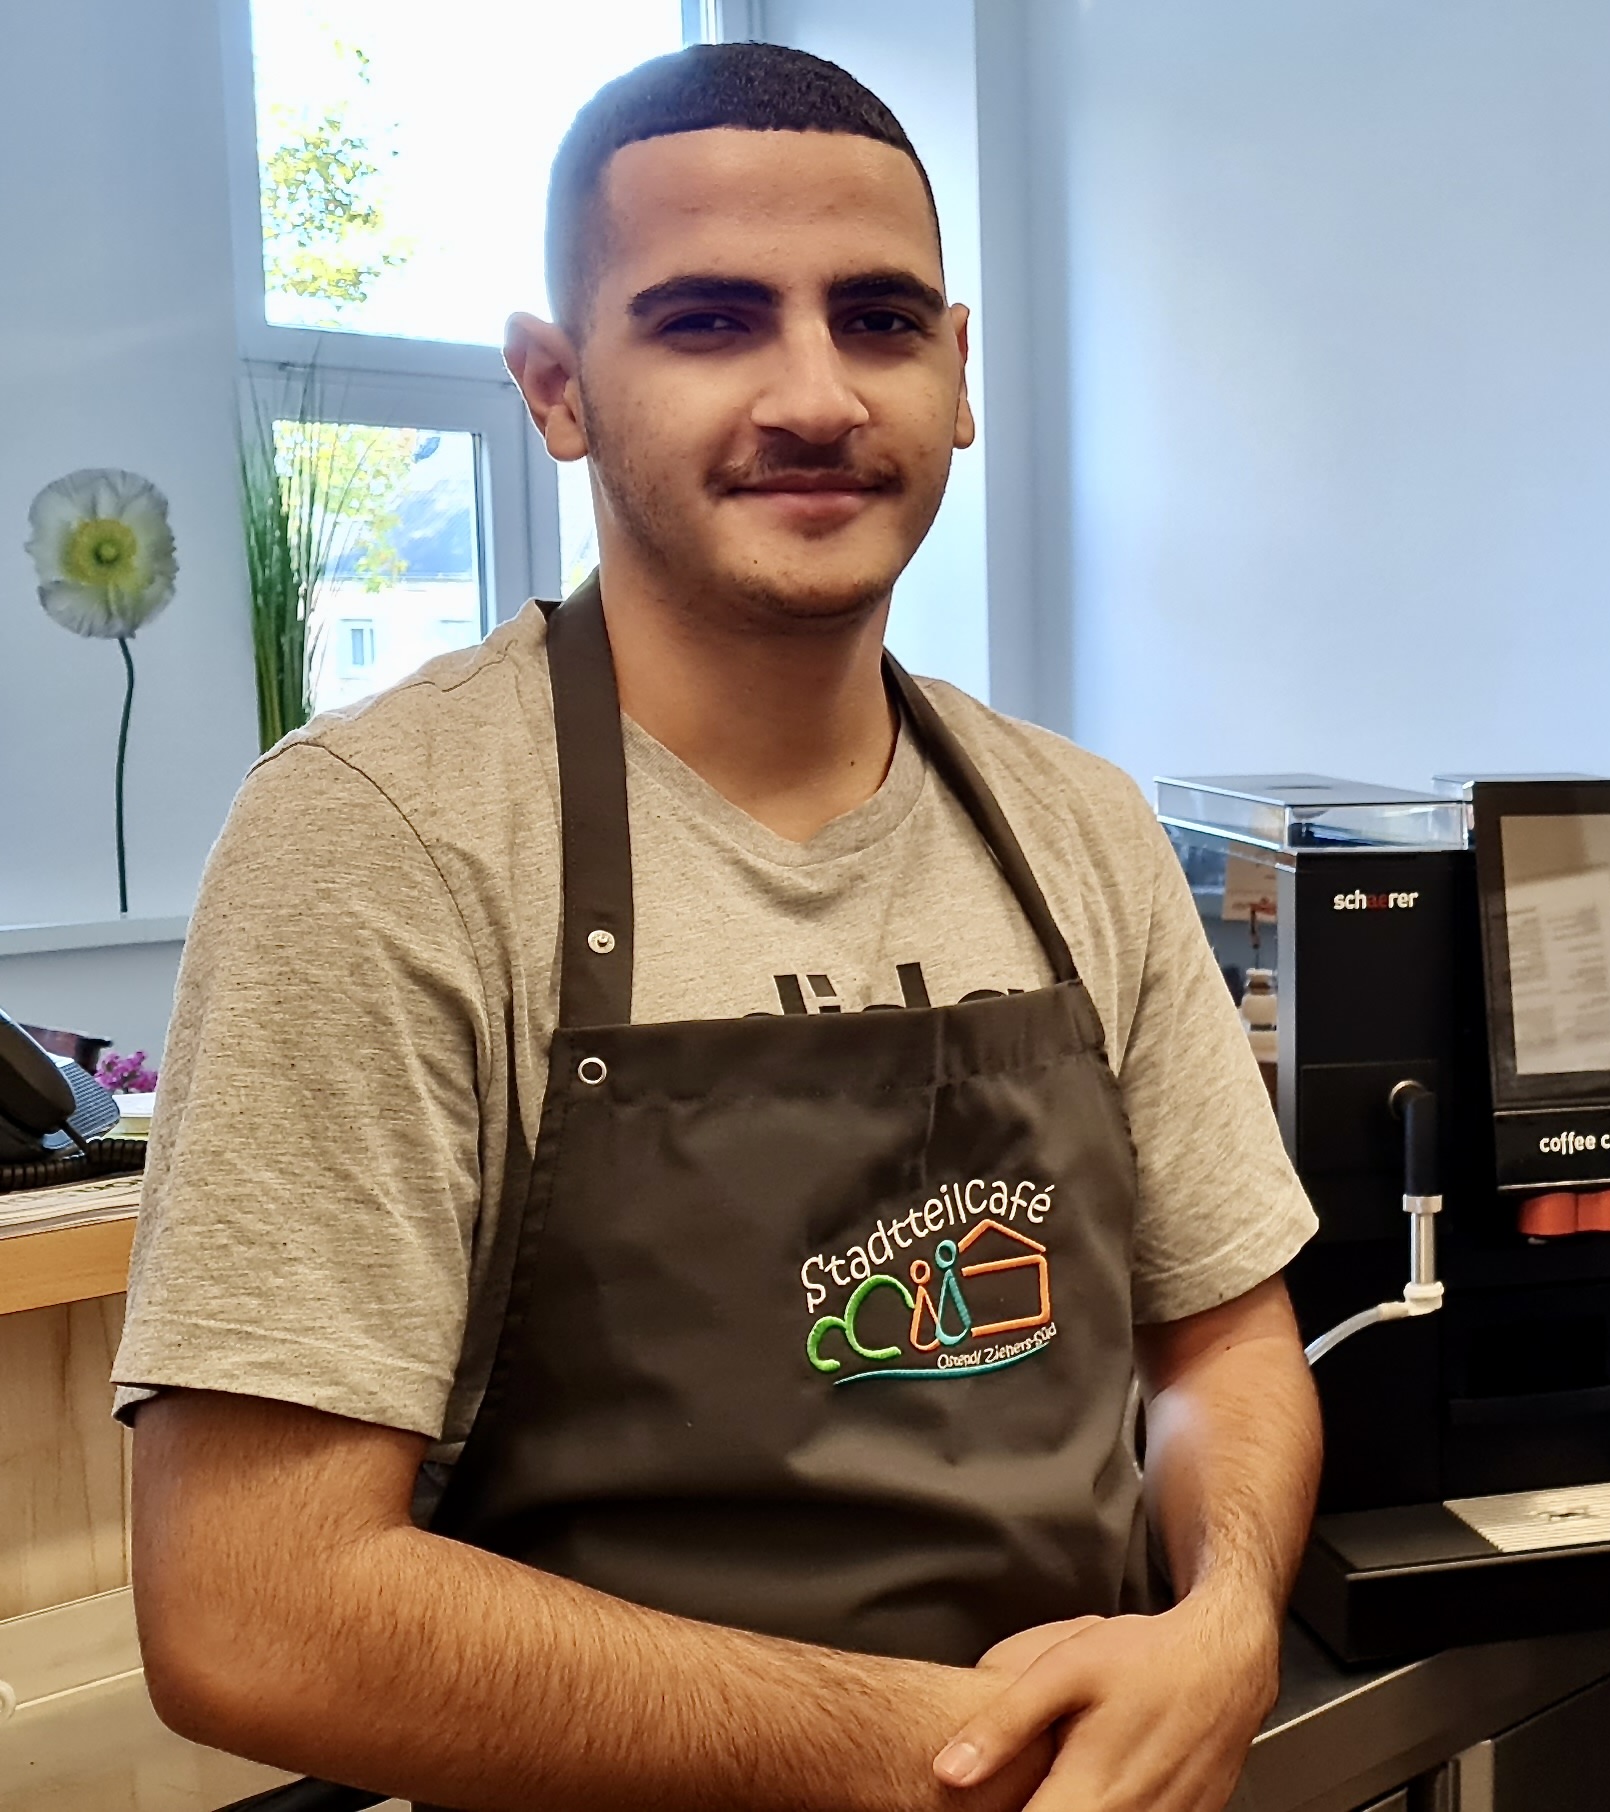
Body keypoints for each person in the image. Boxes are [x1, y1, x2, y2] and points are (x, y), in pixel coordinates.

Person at [117, 44, 1320, 1812]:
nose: (818, 395)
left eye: (881, 318)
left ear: (962, 374)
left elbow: (1222, 1340)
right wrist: (957, 1753)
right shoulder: (387, 839)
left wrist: (1220, 1625)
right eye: (706, 321)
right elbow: (255, 1606)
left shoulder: (1081, 825)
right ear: (556, 385)